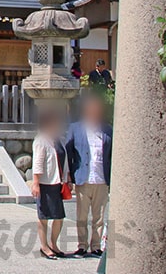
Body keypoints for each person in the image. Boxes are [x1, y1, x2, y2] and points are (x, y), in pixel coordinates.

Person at [66, 93, 113, 258]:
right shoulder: (76, 128)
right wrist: (70, 175)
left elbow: (112, 154)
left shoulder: (107, 130)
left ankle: (96, 246)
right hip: (83, 177)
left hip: (101, 179)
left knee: (99, 216)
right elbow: (68, 152)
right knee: (82, 215)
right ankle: (82, 245)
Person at [32, 109, 69, 260]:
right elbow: (38, 162)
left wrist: (67, 179)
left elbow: (64, 161)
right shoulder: (41, 140)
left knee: (59, 216)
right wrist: (35, 182)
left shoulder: (59, 139)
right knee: (44, 216)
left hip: (58, 182)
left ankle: (54, 244)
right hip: (45, 183)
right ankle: (44, 246)